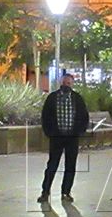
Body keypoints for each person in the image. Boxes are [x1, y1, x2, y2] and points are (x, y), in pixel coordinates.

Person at [38, 70, 90, 204]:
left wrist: (79, 131)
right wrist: (49, 132)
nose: (66, 85)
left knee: (70, 166)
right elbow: (45, 116)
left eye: (69, 83)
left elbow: (84, 116)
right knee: (52, 165)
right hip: (56, 137)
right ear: (60, 83)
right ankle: (45, 192)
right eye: (64, 82)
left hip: (72, 137)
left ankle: (66, 192)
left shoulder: (77, 98)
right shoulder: (52, 98)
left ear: (72, 84)